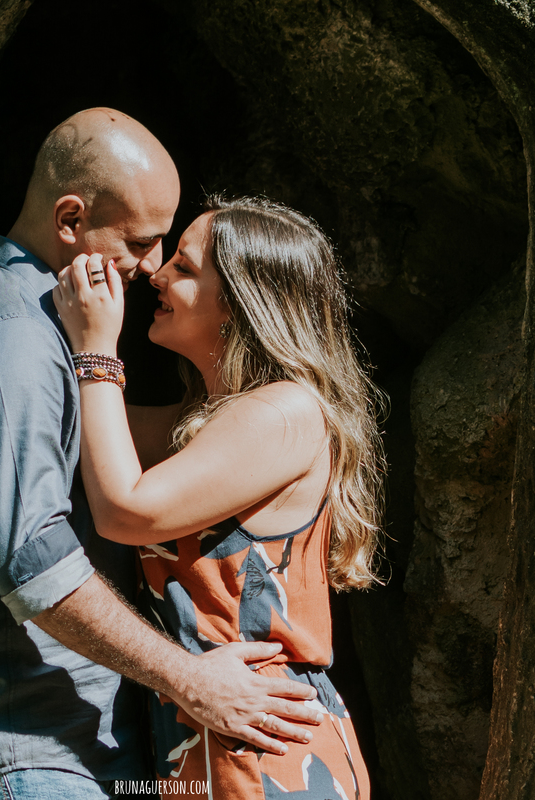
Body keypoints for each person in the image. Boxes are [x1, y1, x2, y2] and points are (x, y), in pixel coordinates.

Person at [0, 111, 323, 800]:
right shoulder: (12, 342)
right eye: (145, 244)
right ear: (69, 221)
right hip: (21, 752)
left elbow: (165, 448)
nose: (151, 269)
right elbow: (33, 560)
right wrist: (188, 678)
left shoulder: (52, 331)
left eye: (176, 259)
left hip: (103, 755)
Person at [54, 195, 385, 799]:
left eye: (182, 267)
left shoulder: (285, 412)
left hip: (269, 755)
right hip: (208, 750)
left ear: (237, 301)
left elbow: (125, 509)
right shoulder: (205, 418)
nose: (155, 275)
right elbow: (82, 431)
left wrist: (97, 349)